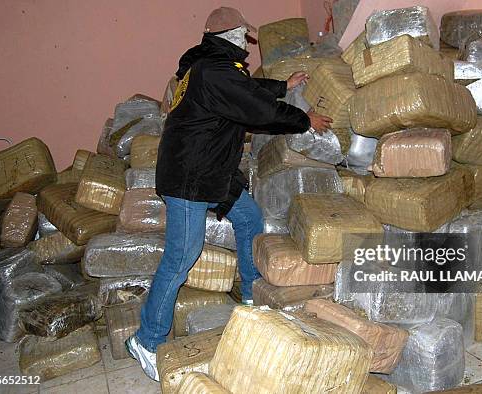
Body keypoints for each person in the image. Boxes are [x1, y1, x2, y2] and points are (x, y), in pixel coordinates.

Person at [125, 6, 333, 381]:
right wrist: (304, 120)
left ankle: (252, 294)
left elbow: (246, 88)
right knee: (181, 257)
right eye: (243, 36)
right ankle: (147, 339)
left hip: (210, 171)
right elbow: (254, 108)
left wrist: (283, 86)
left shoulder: (211, 67)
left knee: (249, 216)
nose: (247, 43)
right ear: (230, 36)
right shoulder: (211, 70)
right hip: (191, 176)